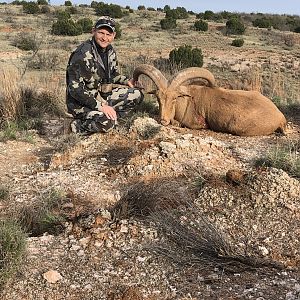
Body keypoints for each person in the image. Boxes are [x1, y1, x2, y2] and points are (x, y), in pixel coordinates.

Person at [66, 16, 144, 134]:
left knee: (137, 94)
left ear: (114, 35)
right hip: (81, 103)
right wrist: (101, 106)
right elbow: (75, 91)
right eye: (101, 33)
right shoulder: (82, 55)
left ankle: (112, 117)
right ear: (93, 31)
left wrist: (127, 81)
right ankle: (77, 125)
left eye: (108, 34)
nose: (104, 38)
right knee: (107, 123)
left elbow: (112, 74)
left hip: (101, 96)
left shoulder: (109, 50)